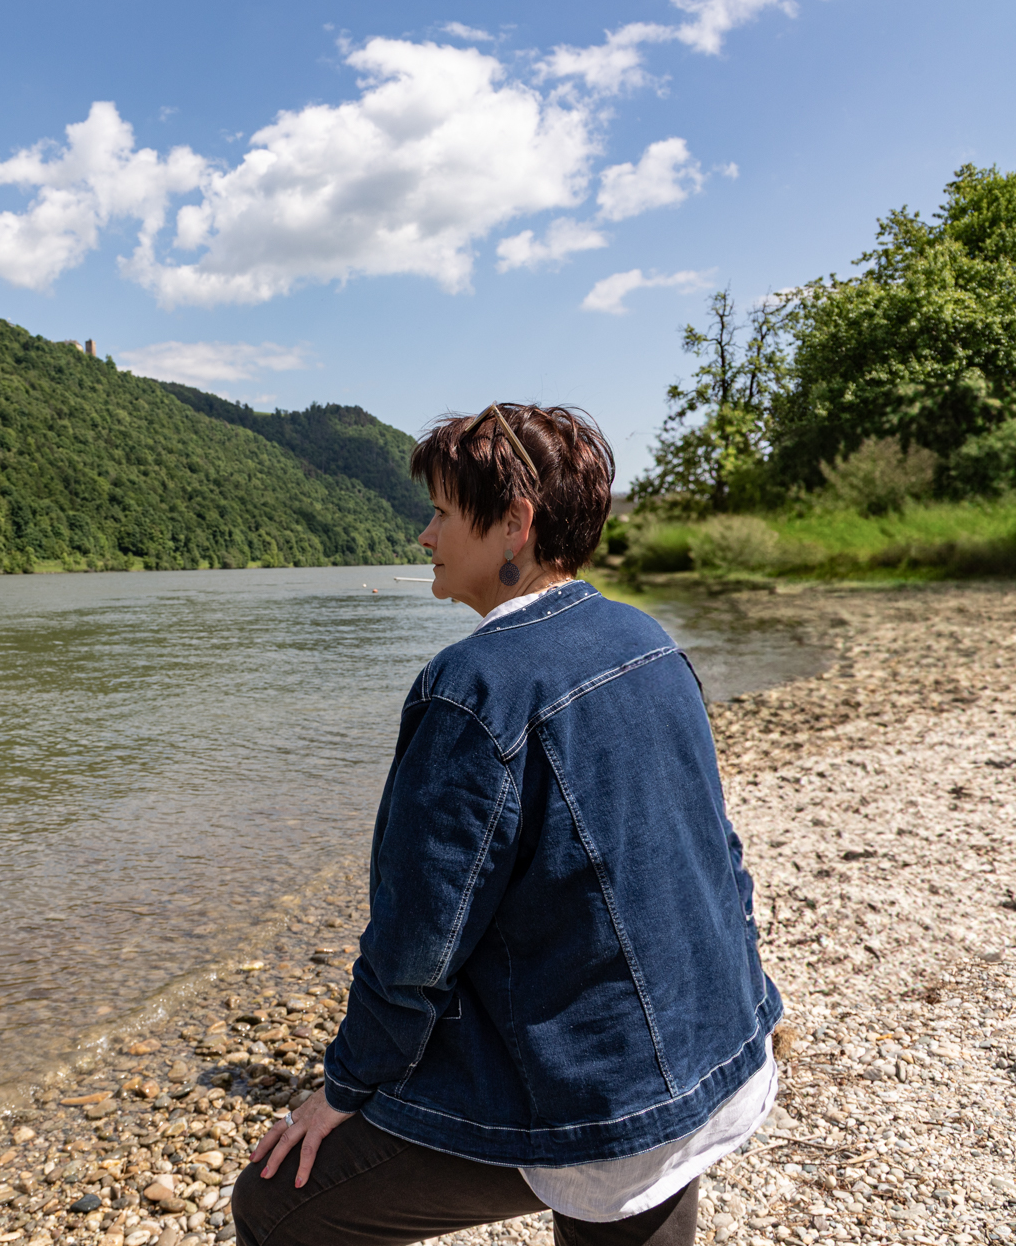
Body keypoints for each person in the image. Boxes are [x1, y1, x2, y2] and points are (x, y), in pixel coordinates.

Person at [231, 403, 782, 1246]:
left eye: (445, 512)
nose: (426, 536)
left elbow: (418, 946)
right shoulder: (646, 638)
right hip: (725, 1055)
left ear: (514, 525)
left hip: (607, 1102)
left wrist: (342, 1087)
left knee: (278, 1204)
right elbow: (722, 853)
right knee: (634, 1174)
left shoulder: (472, 687)